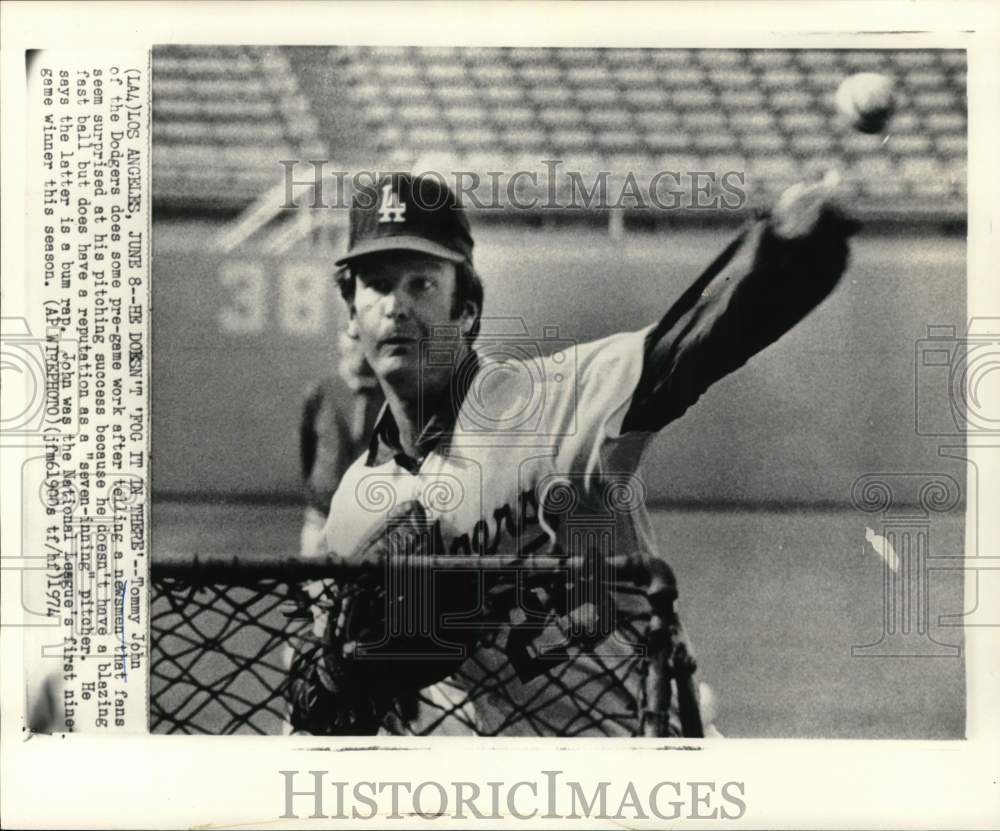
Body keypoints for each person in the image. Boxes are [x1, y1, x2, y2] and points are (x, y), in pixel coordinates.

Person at [288, 171, 854, 737]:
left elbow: (698, 338)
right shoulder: (354, 512)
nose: (396, 307)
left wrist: (785, 254)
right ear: (351, 311)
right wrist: (342, 680)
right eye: (378, 284)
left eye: (422, 284)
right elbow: (333, 708)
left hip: (649, 770)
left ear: (467, 311)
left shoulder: (553, 400)